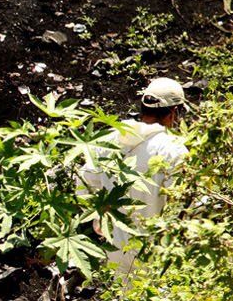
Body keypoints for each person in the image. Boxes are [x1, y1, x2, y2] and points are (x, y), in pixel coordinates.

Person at [81, 77, 190, 284]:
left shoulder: (110, 137)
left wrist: (99, 220)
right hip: (153, 247)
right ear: (174, 113)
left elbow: (86, 180)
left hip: (114, 243)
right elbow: (180, 205)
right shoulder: (173, 149)